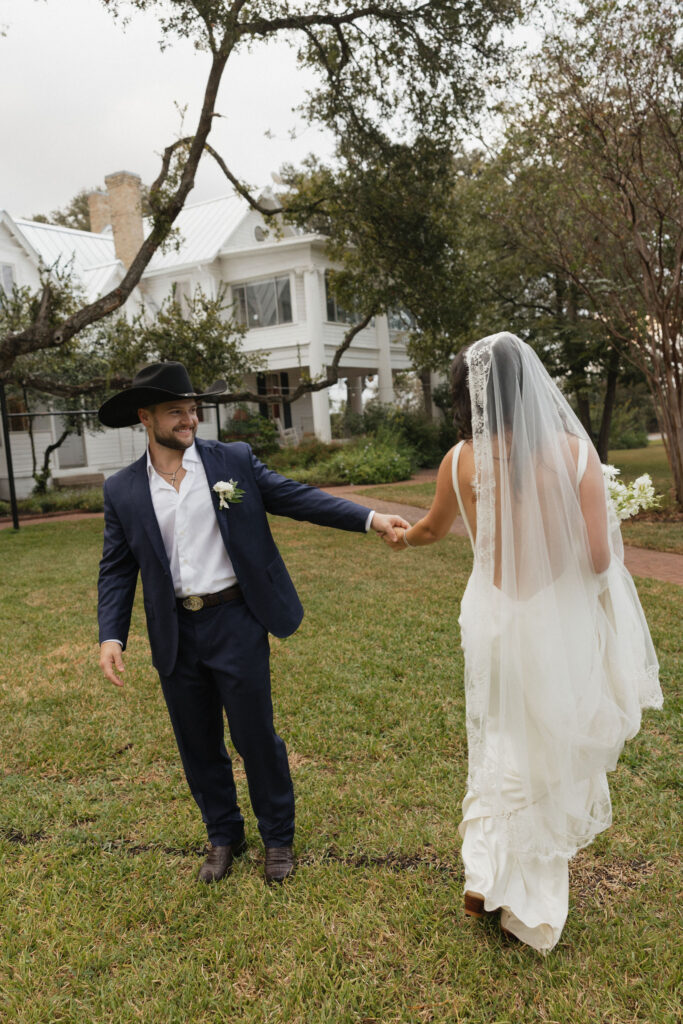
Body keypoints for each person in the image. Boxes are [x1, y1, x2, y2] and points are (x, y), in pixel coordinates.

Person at [384, 332, 662, 951]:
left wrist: (402, 537)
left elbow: (431, 529)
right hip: (551, 621)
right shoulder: (574, 455)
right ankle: (525, 908)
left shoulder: (461, 460)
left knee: (501, 740)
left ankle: (486, 871)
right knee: (547, 754)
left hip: (490, 619)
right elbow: (596, 557)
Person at [97, 361, 409, 886]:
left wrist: (371, 518)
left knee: (254, 736)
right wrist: (111, 633)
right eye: (176, 412)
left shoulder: (231, 462)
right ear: (144, 418)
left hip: (236, 619)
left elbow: (297, 497)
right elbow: (116, 566)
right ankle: (223, 835)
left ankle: (278, 838)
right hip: (175, 632)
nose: (189, 420)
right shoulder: (122, 490)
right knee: (196, 742)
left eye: (192, 410)